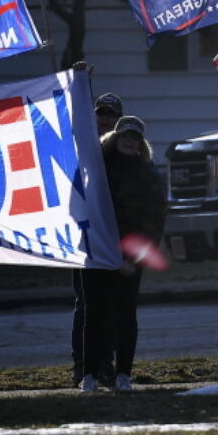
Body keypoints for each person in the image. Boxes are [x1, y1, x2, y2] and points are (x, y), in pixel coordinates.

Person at [79, 115, 166, 393]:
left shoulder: (149, 173)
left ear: (141, 144)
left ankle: (123, 373)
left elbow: (154, 221)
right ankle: (89, 374)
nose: (130, 141)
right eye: (125, 135)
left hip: (129, 258)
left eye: (135, 138)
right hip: (97, 252)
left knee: (126, 315)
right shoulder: (96, 168)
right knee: (94, 315)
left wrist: (135, 259)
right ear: (115, 137)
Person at [71, 92, 124, 385]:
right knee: (85, 302)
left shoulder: (124, 151)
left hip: (115, 237)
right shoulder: (82, 149)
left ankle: (106, 360)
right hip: (87, 236)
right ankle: (81, 363)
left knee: (112, 302)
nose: (105, 120)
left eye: (111, 115)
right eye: (101, 114)